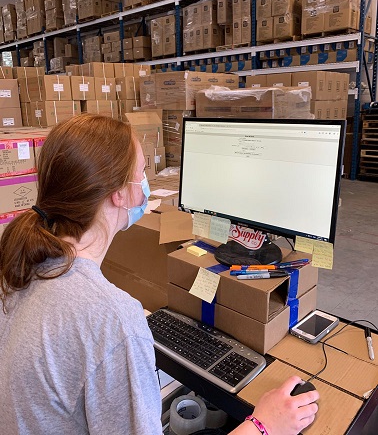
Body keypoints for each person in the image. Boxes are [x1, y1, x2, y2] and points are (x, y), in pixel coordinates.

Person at [0, 114, 319, 435]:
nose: (146, 185)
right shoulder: (111, 318)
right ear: (120, 194)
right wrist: (265, 425)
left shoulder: (17, 266)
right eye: (141, 173)